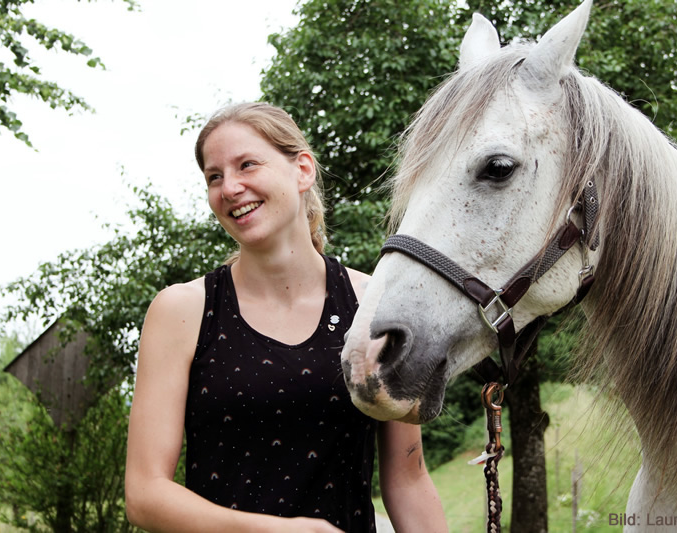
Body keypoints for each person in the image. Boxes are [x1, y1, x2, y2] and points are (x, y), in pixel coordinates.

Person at [124, 102, 447, 532]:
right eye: (214, 177)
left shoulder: (372, 302)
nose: (230, 187)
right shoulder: (181, 312)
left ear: (303, 170)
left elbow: (408, 480)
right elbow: (145, 494)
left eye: (247, 165)